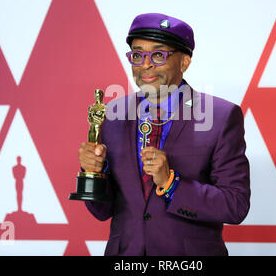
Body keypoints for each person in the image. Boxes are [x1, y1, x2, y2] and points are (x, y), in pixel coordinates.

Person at [79, 13, 250, 256]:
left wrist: (171, 184)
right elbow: (102, 211)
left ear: (184, 62)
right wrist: (94, 174)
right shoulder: (113, 114)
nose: (145, 65)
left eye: (158, 55)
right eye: (137, 55)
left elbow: (235, 205)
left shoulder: (220, 116)